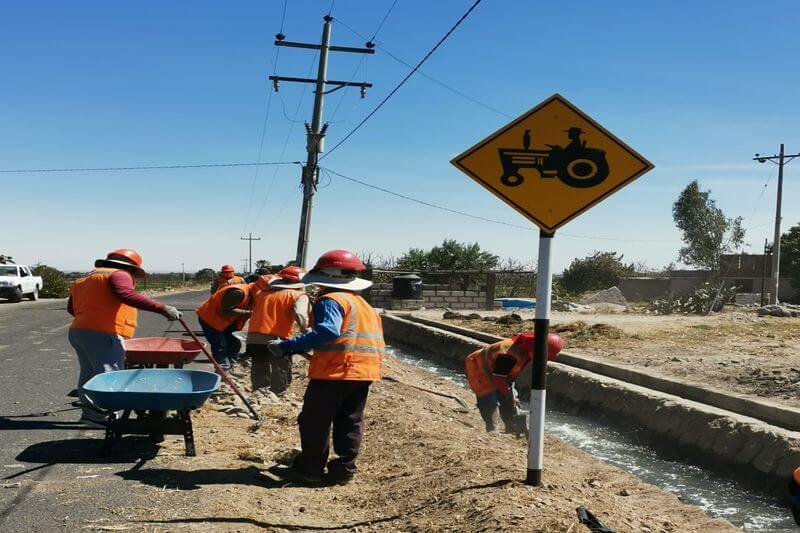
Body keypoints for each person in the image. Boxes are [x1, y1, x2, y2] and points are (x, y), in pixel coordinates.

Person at [267, 250, 383, 485]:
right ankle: (343, 471)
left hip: (336, 372)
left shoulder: (330, 300)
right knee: (349, 420)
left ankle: (310, 470)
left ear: (324, 276)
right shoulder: (361, 303)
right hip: (363, 372)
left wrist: (287, 346)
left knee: (314, 420)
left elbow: (329, 330)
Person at [68, 249, 182, 425]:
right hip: (104, 333)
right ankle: (101, 415)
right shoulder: (119, 274)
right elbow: (126, 294)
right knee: (108, 375)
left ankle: (91, 414)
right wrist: (163, 308)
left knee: (89, 374)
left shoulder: (84, 278)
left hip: (79, 331)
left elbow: (71, 308)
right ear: (130, 267)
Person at [465, 332, 563, 433]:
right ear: (535, 350)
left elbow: (508, 376)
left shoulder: (526, 351)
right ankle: (492, 429)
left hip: (499, 370)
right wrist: (508, 394)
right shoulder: (510, 354)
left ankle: (511, 426)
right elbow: (498, 377)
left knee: (508, 398)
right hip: (479, 367)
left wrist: (511, 394)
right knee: (488, 397)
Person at [246, 266, 309, 396]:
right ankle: (278, 395)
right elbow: (300, 314)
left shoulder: (261, 293)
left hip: (253, 337)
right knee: (280, 368)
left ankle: (259, 395)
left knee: (259, 366)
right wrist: (306, 331)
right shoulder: (298, 295)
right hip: (277, 338)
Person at [196, 279, 252, 371]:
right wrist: (249, 312)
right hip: (210, 317)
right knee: (220, 345)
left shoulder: (253, 294)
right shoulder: (238, 292)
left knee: (234, 343)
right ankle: (221, 370)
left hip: (228, 319)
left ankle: (229, 367)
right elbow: (226, 311)